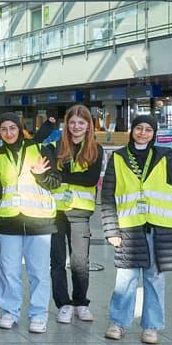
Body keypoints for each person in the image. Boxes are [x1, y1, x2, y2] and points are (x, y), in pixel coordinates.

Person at [101, 116, 172, 344]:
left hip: (159, 230)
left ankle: (151, 326)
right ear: (132, 131)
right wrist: (111, 230)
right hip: (129, 228)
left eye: (148, 129)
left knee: (155, 278)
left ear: (154, 133)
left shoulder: (164, 157)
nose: (143, 132)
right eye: (139, 128)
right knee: (125, 279)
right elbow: (107, 196)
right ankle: (117, 323)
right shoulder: (118, 157)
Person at [0, 112, 61, 334]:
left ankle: (38, 314)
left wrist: (40, 176)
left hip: (38, 222)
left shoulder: (40, 150)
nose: (8, 133)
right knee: (8, 270)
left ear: (20, 129)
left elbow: (55, 182)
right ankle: (9, 311)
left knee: (38, 272)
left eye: (12, 128)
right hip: (9, 222)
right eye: (4, 129)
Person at [45, 105, 101, 324]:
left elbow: (90, 179)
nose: (76, 126)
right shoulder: (55, 147)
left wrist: (63, 175)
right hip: (56, 212)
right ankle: (63, 304)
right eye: (72, 122)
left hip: (80, 213)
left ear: (88, 125)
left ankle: (81, 303)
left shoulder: (96, 149)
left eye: (81, 122)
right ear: (66, 125)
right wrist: (60, 175)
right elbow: (51, 177)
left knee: (80, 262)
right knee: (57, 261)